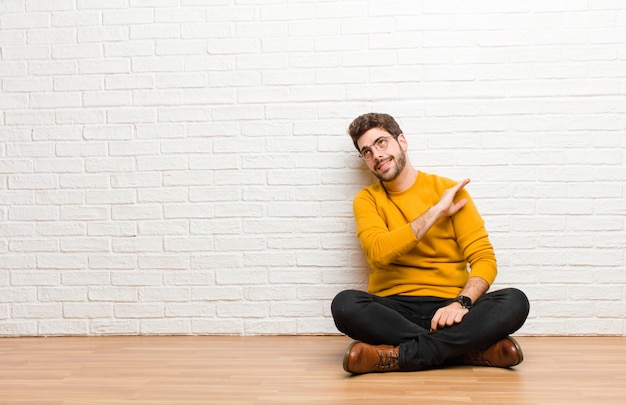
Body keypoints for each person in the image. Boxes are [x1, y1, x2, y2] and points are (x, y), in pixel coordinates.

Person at [331, 113, 530, 375]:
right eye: (366, 151)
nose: (376, 155)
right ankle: (468, 351)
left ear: (401, 141)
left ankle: (397, 356)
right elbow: (378, 253)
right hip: (394, 310)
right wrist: (435, 211)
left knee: (515, 301)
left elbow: (484, 259)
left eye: (381, 143)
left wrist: (462, 303)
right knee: (345, 305)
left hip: (451, 309)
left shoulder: (449, 190)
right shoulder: (367, 200)